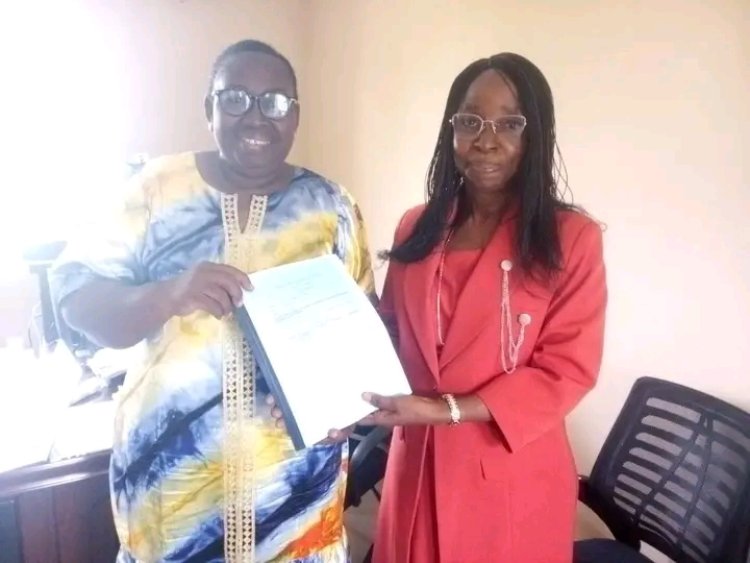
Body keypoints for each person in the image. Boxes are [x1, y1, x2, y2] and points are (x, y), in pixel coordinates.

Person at [50, 39, 374, 563]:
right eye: (236, 98)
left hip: (294, 502)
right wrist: (168, 293)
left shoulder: (331, 207)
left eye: (275, 102)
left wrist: (342, 404)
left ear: (295, 115)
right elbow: (75, 299)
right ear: (209, 108)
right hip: (174, 498)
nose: (256, 117)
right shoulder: (156, 191)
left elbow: (361, 338)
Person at [361, 53, 607, 562]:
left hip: (505, 476)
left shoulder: (570, 238)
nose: (486, 140)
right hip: (415, 462)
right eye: (470, 121)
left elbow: (565, 371)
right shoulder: (417, 227)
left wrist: (444, 410)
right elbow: (388, 331)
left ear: (536, 136)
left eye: (509, 123)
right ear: (451, 131)